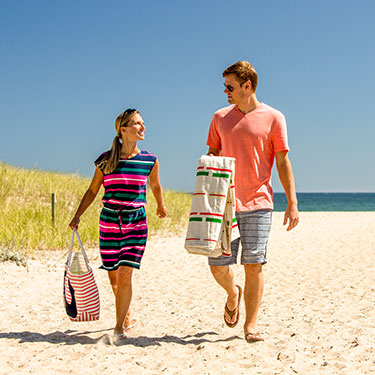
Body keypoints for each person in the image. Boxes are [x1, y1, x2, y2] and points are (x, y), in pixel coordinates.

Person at [206, 61, 299, 343]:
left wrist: (292, 201)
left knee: (254, 264)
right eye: (225, 87)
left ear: (248, 86)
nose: (225, 92)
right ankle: (233, 294)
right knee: (217, 264)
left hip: (259, 202)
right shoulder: (219, 118)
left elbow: (282, 160)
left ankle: (250, 325)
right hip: (224, 205)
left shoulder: (274, 117)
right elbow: (212, 155)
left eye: (230, 86)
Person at [69, 108, 167, 338]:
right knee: (113, 276)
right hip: (109, 222)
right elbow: (93, 190)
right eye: (137, 124)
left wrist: (160, 205)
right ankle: (126, 312)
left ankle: (118, 327)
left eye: (143, 123)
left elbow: (155, 186)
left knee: (125, 274)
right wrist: (78, 215)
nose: (142, 127)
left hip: (136, 222)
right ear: (123, 129)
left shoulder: (150, 160)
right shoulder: (106, 161)